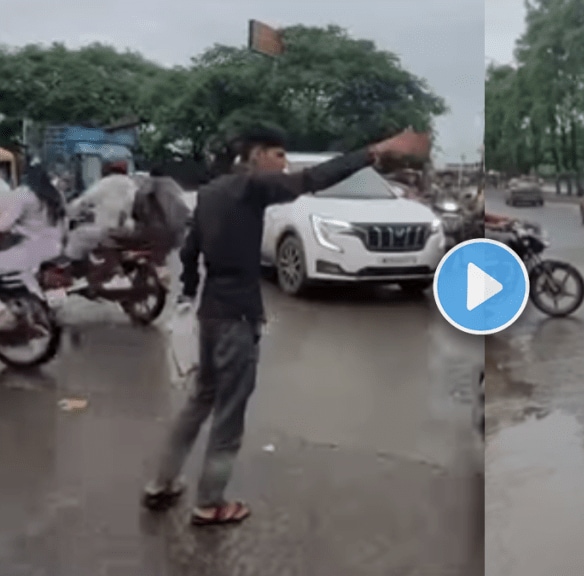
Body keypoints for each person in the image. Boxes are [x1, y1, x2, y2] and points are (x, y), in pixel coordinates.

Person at [141, 126, 431, 526]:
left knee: (199, 401)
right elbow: (313, 179)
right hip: (237, 316)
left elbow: (191, 253)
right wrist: (375, 149)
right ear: (256, 155)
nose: (284, 164)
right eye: (278, 155)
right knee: (229, 413)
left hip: (210, 313)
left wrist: (188, 299)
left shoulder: (211, 193)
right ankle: (210, 503)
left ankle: (161, 483)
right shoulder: (252, 187)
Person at [0, 164, 65, 328]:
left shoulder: (24, 194)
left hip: (29, 250)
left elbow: (4, 225)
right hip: (55, 247)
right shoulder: (56, 195)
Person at [63, 159, 139, 289]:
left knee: (77, 235)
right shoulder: (133, 184)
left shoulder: (105, 184)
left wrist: (69, 212)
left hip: (110, 230)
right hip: (133, 230)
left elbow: (84, 201)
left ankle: (74, 274)